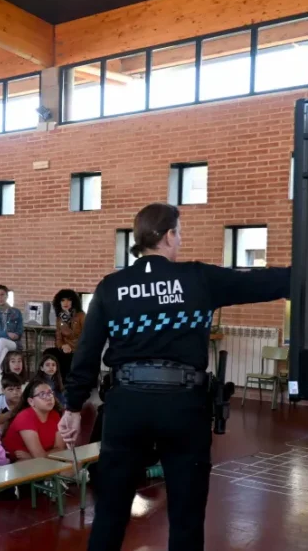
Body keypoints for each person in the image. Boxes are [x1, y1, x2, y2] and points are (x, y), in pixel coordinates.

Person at [58, 203, 291, 551]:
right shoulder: (198, 278)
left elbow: (86, 353)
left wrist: (73, 407)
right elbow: (264, 282)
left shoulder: (110, 287)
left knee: (110, 511)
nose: (179, 240)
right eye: (178, 233)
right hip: (183, 406)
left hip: (125, 407)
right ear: (168, 235)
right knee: (186, 514)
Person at [3, 378, 64, 461]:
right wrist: (38, 457)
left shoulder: (55, 415)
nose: (49, 397)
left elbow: (60, 449)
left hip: (39, 461)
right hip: (13, 465)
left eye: (50, 393)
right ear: (31, 401)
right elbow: (39, 457)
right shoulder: (25, 417)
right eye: (42, 394)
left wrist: (31, 457)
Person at [0, 285, 24, 378]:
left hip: (13, 343)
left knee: (2, 341)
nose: (0, 298)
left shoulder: (16, 312)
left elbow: (20, 330)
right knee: (3, 349)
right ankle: (1, 376)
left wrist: (16, 335)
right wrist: (6, 334)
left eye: (2, 295)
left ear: (7, 296)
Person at [53, 289, 85, 378]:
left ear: (73, 302)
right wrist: (63, 346)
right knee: (49, 353)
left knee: (69, 359)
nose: (65, 303)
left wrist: (74, 348)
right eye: (62, 300)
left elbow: (87, 337)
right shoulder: (59, 319)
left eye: (68, 300)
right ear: (58, 303)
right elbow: (58, 339)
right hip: (66, 349)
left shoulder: (81, 315)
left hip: (79, 349)